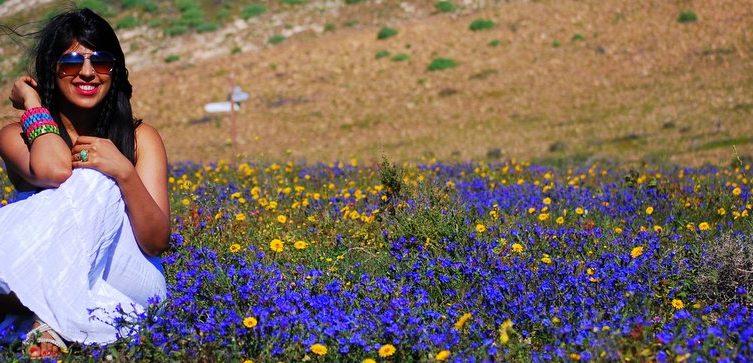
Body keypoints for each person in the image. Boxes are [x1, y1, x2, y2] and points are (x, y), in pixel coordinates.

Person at [0, 8, 170, 358]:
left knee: (95, 179)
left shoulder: (141, 139)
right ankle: (47, 325)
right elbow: (55, 170)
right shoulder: (14, 135)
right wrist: (33, 103)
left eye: (102, 62)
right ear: (52, 70)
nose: (88, 72)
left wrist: (123, 172)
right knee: (86, 177)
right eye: (72, 62)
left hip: (129, 277)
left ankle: (34, 314)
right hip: (82, 285)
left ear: (115, 72)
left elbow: (154, 243)